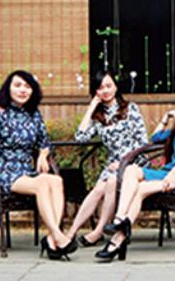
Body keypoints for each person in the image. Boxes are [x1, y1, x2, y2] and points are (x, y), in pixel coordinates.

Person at [96, 80, 175, 262]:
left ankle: (116, 241)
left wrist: (172, 175)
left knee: (139, 188)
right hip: (167, 171)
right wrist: (166, 119)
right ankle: (120, 220)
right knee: (131, 170)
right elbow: (155, 138)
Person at [0, 70, 74, 260]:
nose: (22, 90)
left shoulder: (34, 115)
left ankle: (52, 239)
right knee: (42, 184)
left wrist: (42, 155)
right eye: (18, 85)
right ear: (8, 89)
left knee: (56, 181)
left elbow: (45, 142)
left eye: (27, 86)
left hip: (26, 170)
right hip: (5, 171)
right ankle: (58, 236)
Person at [68, 70, 148, 247]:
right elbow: (80, 137)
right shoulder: (99, 117)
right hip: (112, 165)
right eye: (100, 87)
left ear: (116, 87)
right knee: (98, 190)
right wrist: (90, 108)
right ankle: (71, 233)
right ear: (95, 92)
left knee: (111, 182)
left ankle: (98, 231)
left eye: (108, 86)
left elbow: (142, 142)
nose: (105, 91)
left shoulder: (130, 108)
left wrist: (123, 162)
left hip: (133, 163)